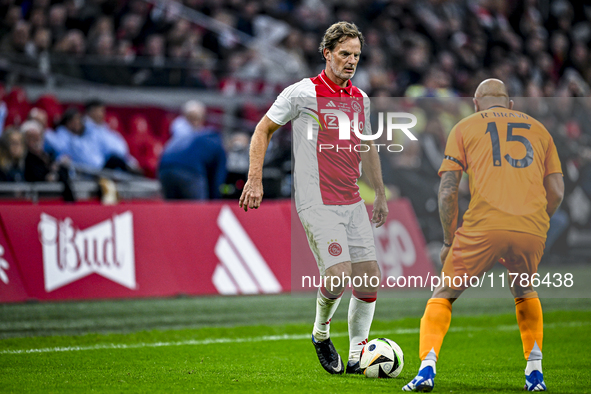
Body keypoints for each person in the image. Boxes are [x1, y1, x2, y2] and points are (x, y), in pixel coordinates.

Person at [238, 21, 388, 375]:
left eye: (356, 55)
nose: (351, 61)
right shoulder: (301, 93)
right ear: (327, 53)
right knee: (338, 273)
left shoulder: (360, 99)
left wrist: (379, 193)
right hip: (316, 199)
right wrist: (254, 179)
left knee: (368, 277)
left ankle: (357, 355)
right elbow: (263, 129)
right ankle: (321, 333)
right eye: (344, 54)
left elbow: (367, 147)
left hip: (352, 199)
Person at [402, 79, 564, 392]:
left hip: (483, 226)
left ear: (476, 105)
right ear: (510, 105)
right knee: (525, 291)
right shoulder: (540, 129)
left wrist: (449, 241)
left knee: (444, 295)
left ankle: (426, 369)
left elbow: (448, 190)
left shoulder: (464, 127)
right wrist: (539, 223)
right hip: (530, 227)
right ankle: (535, 374)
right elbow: (556, 190)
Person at [158, 120, 226, 200]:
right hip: (189, 170)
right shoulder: (219, 145)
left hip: (163, 168)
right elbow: (217, 179)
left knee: (171, 208)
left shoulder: (192, 136)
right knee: (197, 209)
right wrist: (214, 201)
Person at [22, 120, 75, 201]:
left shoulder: (47, 155)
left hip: (56, 198)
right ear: (24, 140)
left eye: (38, 137)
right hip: (34, 199)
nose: (36, 141)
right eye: (32, 138)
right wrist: (48, 176)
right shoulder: (24, 158)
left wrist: (56, 169)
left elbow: (59, 172)